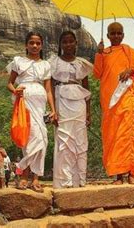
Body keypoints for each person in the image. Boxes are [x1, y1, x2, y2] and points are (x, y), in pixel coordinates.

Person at [93, 22, 134, 184]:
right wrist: (98, 54)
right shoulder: (104, 53)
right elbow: (97, 74)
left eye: (119, 33)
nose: (116, 36)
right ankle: (118, 175)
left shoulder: (131, 53)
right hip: (110, 101)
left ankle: (132, 173)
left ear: (123, 35)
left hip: (127, 97)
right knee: (113, 137)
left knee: (129, 134)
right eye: (113, 33)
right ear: (108, 35)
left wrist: (130, 71)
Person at [7, 31, 57, 192]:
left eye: (38, 43)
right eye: (31, 43)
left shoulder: (46, 65)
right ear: (26, 45)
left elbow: (49, 90)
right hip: (24, 101)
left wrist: (53, 110)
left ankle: (35, 178)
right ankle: (23, 177)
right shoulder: (18, 61)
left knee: (42, 139)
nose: (35, 46)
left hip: (40, 101)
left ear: (41, 46)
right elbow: (9, 83)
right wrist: (15, 91)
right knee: (29, 137)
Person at [50, 31, 93, 188]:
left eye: (71, 41)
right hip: (61, 100)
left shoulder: (82, 63)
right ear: (61, 45)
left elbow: (87, 89)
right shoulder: (54, 62)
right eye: (65, 42)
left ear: (76, 43)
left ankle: (79, 181)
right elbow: (49, 86)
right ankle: (64, 181)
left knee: (80, 140)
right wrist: (53, 110)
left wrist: (89, 112)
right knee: (64, 139)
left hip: (79, 103)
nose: (68, 44)